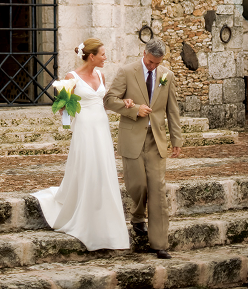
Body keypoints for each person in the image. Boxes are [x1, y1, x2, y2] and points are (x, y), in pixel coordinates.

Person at [32, 38, 130, 251]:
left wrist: (126, 103)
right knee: (87, 169)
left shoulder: (101, 75)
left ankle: (106, 219)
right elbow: (63, 110)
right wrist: (64, 108)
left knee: (104, 171)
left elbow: (103, 102)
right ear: (92, 56)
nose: (106, 58)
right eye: (103, 54)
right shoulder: (71, 77)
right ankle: (84, 219)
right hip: (84, 128)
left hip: (102, 128)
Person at [103, 37, 183, 260]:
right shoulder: (127, 72)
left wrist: (176, 139)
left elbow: (172, 110)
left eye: (157, 63)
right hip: (132, 138)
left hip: (156, 140)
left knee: (157, 189)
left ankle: (159, 244)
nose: (153, 67)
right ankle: (138, 215)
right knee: (138, 185)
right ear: (144, 53)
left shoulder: (168, 75)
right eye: (150, 62)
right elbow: (109, 100)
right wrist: (134, 109)